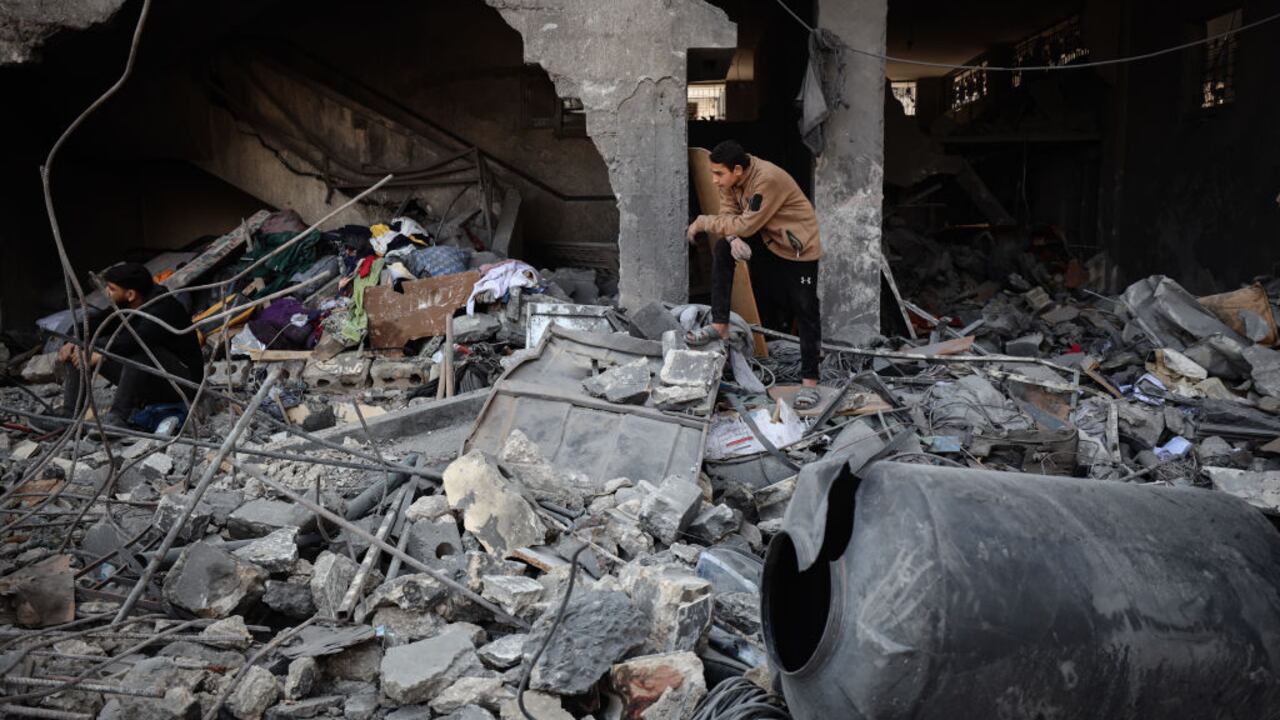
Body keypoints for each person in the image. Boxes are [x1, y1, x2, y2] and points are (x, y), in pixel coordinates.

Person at [686, 140, 824, 408]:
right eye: (712, 173)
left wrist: (704, 222)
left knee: (805, 307)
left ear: (738, 169)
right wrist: (732, 235)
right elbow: (729, 214)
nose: (714, 181)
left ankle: (810, 382)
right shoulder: (733, 181)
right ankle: (720, 324)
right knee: (726, 249)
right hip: (767, 238)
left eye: (719, 174)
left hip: (798, 248)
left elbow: (747, 223)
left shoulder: (767, 180)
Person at [51, 262, 204, 429]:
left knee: (140, 353)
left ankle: (117, 418)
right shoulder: (128, 303)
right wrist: (72, 340)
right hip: (154, 381)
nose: (107, 293)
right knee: (80, 348)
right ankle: (68, 415)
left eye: (112, 289)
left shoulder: (163, 308)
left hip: (183, 383)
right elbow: (96, 324)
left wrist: (102, 355)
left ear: (130, 294)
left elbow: (137, 340)